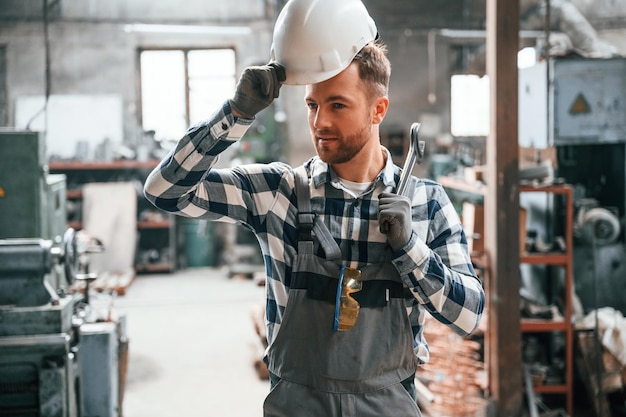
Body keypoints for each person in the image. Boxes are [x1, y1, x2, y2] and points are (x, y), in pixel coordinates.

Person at [144, 0, 484, 415]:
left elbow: (468, 317)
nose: (320, 121)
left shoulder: (426, 203)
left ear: (379, 110)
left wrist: (410, 247)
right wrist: (235, 114)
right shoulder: (278, 193)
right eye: (312, 105)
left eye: (337, 105)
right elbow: (165, 190)